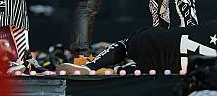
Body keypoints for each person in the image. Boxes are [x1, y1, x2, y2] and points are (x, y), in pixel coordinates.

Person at [56, 20, 217, 75]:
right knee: (148, 68)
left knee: (128, 44)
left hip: (160, 45)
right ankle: (122, 69)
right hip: (171, 66)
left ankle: (91, 66)